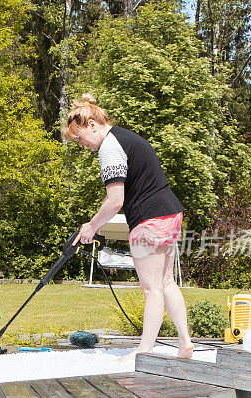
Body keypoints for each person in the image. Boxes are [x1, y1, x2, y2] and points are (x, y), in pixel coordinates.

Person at [64, 93, 194, 361]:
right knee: (166, 282)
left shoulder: (110, 148)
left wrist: (90, 227)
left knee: (151, 288)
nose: (81, 145)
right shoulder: (126, 137)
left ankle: (144, 351)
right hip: (170, 212)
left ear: (92, 125)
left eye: (79, 139)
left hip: (150, 219)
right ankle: (185, 343)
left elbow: (115, 201)